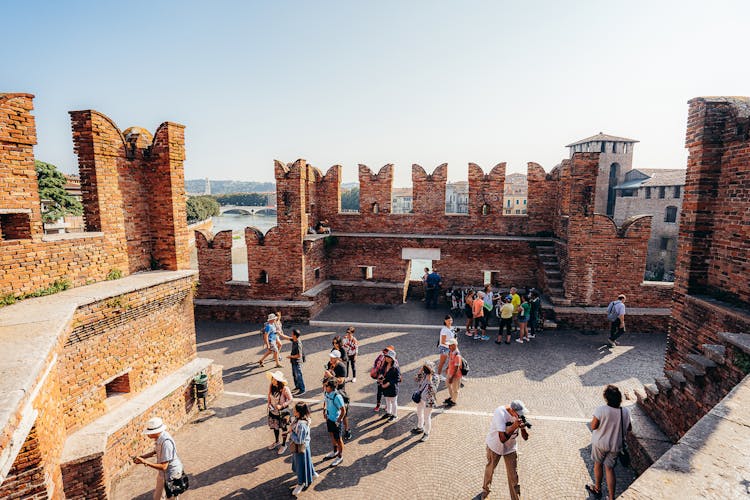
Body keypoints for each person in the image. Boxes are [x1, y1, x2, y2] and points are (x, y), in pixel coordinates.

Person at [586, 385, 632, 500]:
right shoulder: (625, 412)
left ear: (607, 398)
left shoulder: (601, 410)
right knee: (610, 469)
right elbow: (629, 428)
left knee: (598, 464)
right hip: (616, 445)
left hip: (600, 443)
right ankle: (611, 498)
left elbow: (593, 426)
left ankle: (597, 488)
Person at [482, 400, 530, 500]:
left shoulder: (519, 416)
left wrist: (522, 428)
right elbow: (502, 439)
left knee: (514, 476)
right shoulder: (500, 413)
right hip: (495, 446)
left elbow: (526, 437)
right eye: (518, 414)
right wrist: (514, 426)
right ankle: (485, 492)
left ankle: (516, 498)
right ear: (512, 410)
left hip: (511, 448)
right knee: (490, 470)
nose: (519, 416)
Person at [133, 417, 185, 500]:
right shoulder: (160, 437)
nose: (148, 435)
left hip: (171, 474)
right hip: (163, 473)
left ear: (156, 432)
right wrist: (143, 457)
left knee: (171, 497)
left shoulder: (166, 442)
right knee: (158, 496)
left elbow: (164, 466)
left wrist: (144, 462)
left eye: (150, 433)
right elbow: (156, 451)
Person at [289, 402, 318, 496]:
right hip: (306, 446)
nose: (293, 411)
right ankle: (312, 473)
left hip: (301, 448)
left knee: (300, 466)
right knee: (307, 461)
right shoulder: (303, 419)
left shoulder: (301, 425)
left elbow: (299, 440)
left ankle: (301, 483)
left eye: (294, 410)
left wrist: (291, 433)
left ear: (298, 412)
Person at [323, 350, 352, 440]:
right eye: (331, 357)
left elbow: (341, 381)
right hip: (330, 391)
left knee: (344, 413)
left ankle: (347, 430)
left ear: (337, 358)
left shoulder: (341, 366)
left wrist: (331, 376)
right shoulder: (329, 363)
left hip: (339, 392)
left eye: (333, 357)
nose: (331, 359)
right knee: (331, 409)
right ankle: (333, 426)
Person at [266, 371, 293, 454]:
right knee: (275, 427)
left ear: (278, 380)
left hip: (281, 413)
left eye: (273, 379)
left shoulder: (285, 389)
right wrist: (269, 403)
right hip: (273, 412)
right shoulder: (272, 386)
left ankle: (284, 444)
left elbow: (291, 399)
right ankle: (277, 441)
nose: (272, 380)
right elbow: (269, 395)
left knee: (284, 428)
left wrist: (282, 406)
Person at [412, 361, 439, 442]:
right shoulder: (423, 374)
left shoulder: (435, 377)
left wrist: (429, 380)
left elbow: (433, 390)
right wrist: (420, 372)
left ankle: (426, 433)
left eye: (427, 368)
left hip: (429, 401)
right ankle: (420, 427)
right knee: (419, 413)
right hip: (421, 398)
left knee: (427, 417)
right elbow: (416, 379)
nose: (425, 369)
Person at [323, 379, 346, 467]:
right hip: (329, 419)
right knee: (331, 435)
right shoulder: (327, 393)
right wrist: (324, 410)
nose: (325, 387)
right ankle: (335, 451)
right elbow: (325, 402)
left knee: (339, 439)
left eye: (326, 386)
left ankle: (340, 456)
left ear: (331, 388)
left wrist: (338, 420)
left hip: (336, 421)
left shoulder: (337, 397)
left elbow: (343, 410)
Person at [370, 345, 396, 412]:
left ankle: (388, 406)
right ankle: (378, 405)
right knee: (379, 392)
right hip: (380, 377)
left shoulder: (393, 360)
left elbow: (396, 372)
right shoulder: (381, 356)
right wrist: (377, 368)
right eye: (385, 351)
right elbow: (375, 363)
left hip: (387, 379)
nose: (385, 353)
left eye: (386, 351)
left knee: (387, 393)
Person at [379, 350, 401, 421]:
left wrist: (388, 383)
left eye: (389, 357)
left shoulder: (396, 367)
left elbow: (397, 378)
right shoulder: (385, 365)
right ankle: (388, 412)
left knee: (393, 402)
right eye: (386, 357)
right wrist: (381, 377)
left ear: (392, 359)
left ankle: (394, 415)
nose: (387, 358)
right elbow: (382, 372)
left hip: (392, 387)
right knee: (387, 400)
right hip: (385, 386)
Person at [444, 339, 462, 407]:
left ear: (454, 345)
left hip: (455, 375)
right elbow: (450, 361)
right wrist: (447, 368)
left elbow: (456, 368)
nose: (449, 347)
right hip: (450, 372)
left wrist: (451, 377)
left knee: (455, 389)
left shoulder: (457, 355)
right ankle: (452, 397)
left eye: (450, 345)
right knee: (447, 384)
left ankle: (453, 401)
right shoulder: (451, 352)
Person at [437, 315, 456, 381]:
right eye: (448, 321)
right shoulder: (444, 330)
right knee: (442, 362)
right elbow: (443, 341)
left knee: (453, 361)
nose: (450, 322)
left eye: (451, 320)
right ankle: (438, 375)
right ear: (445, 321)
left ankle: (449, 372)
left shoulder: (452, 328)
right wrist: (451, 344)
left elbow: (454, 336)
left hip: (451, 347)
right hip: (444, 348)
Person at [287, 329, 306, 395]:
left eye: (292, 334)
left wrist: (291, 356)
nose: (291, 335)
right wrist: (280, 334)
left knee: (298, 375)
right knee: (295, 375)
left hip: (297, 362)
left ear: (295, 335)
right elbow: (287, 338)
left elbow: (299, 355)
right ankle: (297, 387)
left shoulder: (298, 344)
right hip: (293, 362)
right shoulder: (294, 339)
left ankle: (302, 389)